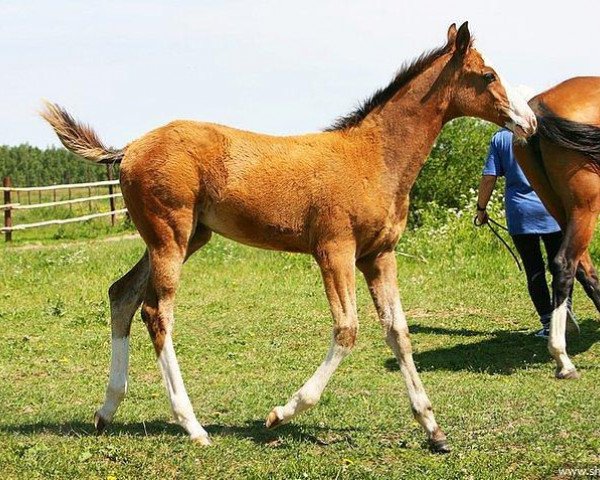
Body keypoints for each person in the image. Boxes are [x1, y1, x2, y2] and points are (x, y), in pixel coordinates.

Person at [476, 128, 577, 338]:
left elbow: (489, 177)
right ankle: (564, 310)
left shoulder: (501, 138)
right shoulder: (547, 133)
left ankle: (549, 324)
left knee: (534, 270)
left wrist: (481, 208)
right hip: (552, 208)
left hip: (521, 214)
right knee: (561, 264)